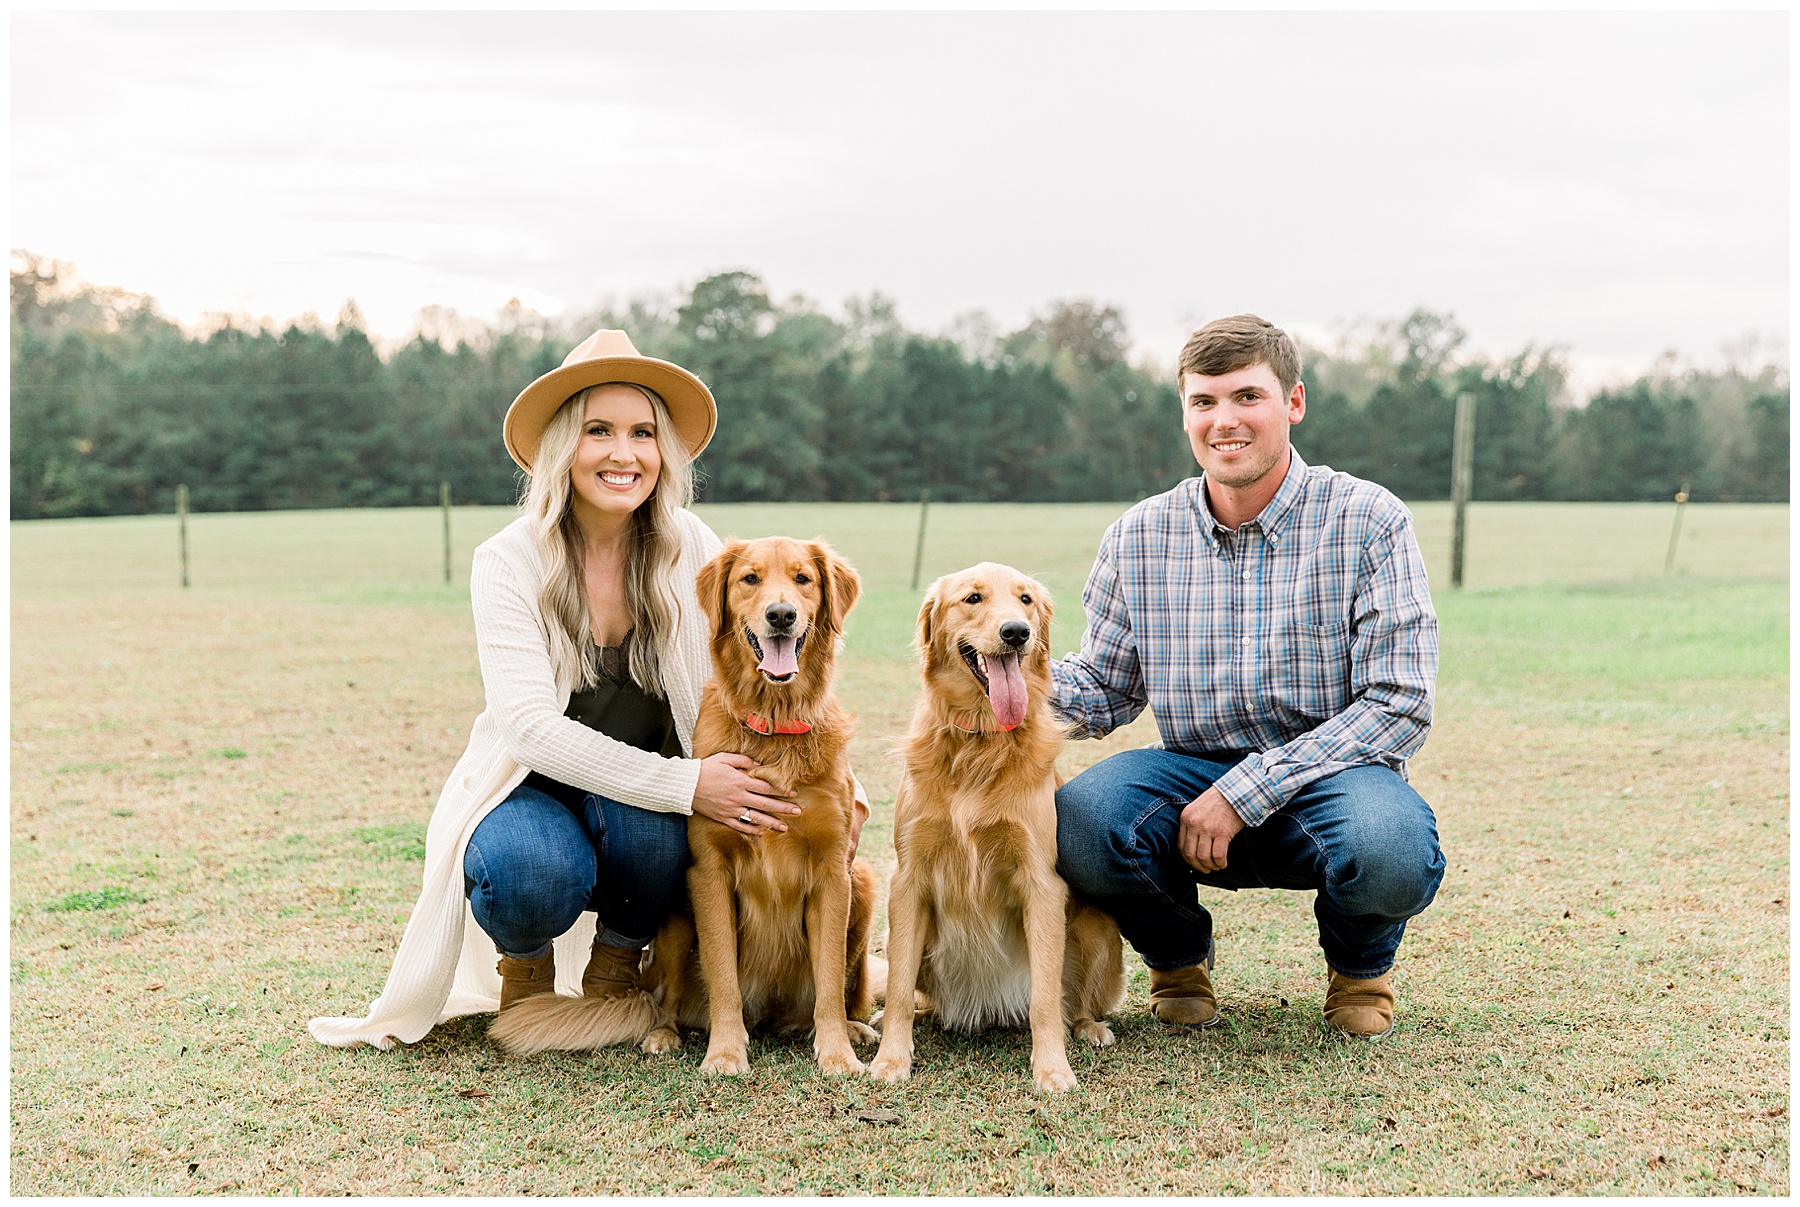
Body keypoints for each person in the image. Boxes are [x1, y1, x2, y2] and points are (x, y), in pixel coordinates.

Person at [310, 329, 864, 1049]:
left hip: (644, 799)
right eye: (598, 430)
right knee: (523, 870)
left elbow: (751, 686)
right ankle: (526, 973)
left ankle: (615, 970)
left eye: (642, 432)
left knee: (669, 841)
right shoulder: (506, 560)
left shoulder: (691, 543)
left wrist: (840, 789)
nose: (623, 453)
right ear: (562, 447)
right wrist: (687, 784)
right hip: (531, 790)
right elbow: (531, 731)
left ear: (663, 450)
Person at [1050, 314, 1445, 1040]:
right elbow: (1105, 685)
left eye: (1246, 397)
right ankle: (1176, 959)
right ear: (1185, 413)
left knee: (1390, 844)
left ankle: (1360, 969)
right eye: (1204, 402)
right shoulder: (1138, 535)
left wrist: (1245, 790)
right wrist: (996, 676)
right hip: (1188, 780)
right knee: (1076, 818)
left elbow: (1400, 702)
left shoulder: (1369, 520)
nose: (1223, 420)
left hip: (1333, 780)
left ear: (1293, 403)